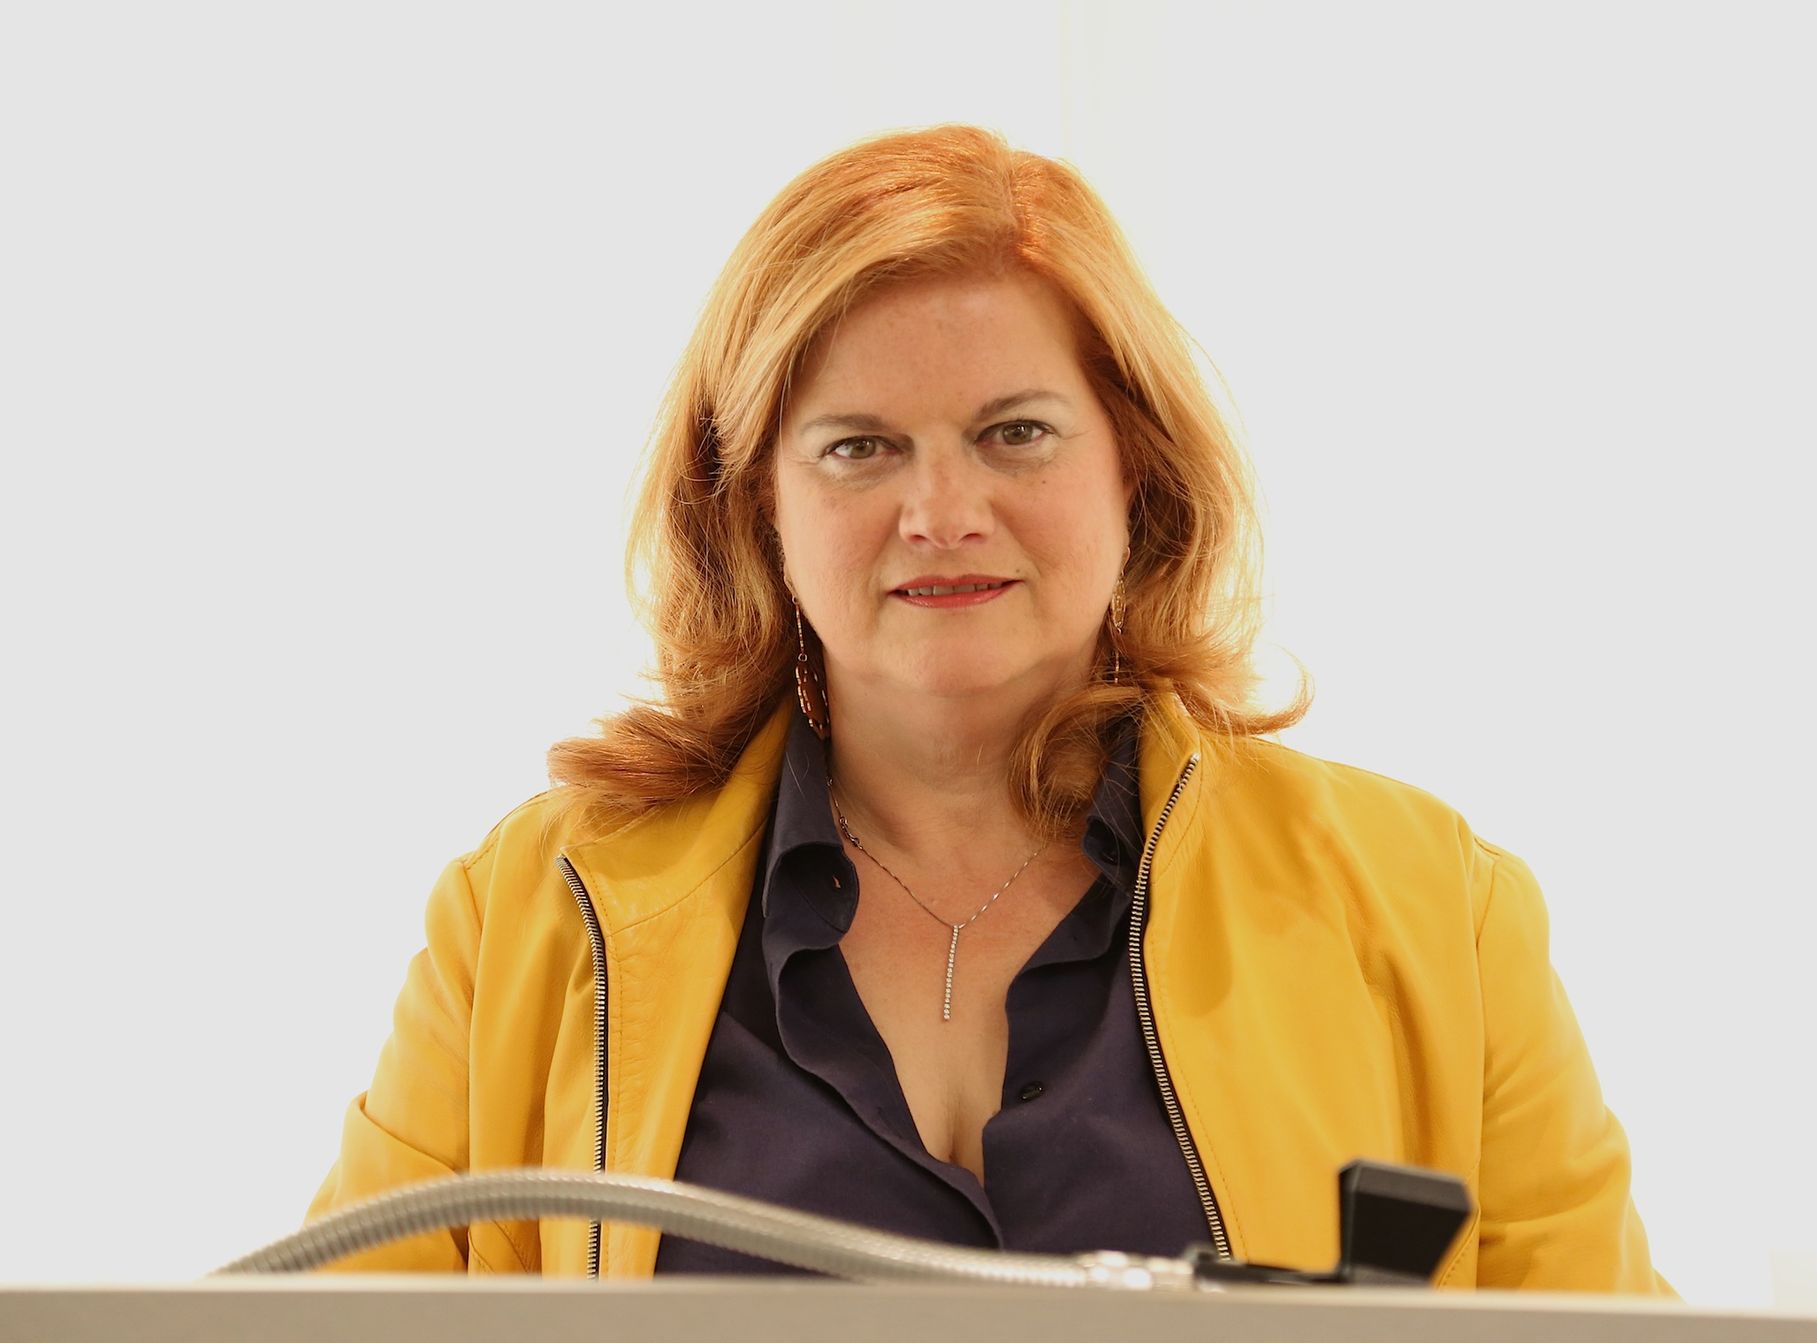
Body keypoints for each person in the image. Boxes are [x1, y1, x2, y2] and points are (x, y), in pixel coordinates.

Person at [305, 123, 1673, 1294]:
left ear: (1135, 464)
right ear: (757, 502)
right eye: (859, 448)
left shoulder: (1438, 911)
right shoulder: (521, 918)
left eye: (1016, 433)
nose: (942, 514)